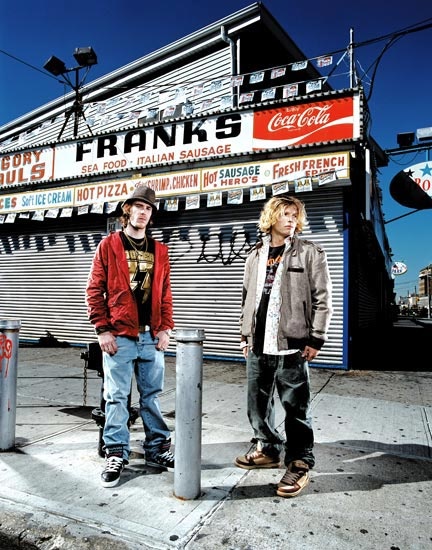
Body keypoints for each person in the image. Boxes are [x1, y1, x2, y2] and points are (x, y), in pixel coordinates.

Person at [235, 195, 332, 498]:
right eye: (285, 214)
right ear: (271, 217)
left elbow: (322, 298)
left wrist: (316, 338)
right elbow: (247, 298)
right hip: (258, 344)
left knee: (296, 409)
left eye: (295, 215)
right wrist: (245, 335)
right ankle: (268, 448)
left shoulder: (310, 253)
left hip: (292, 346)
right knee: (257, 406)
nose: (291, 219)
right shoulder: (255, 255)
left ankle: (299, 462)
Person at [85, 185, 175, 488]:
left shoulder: (160, 250)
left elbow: (165, 293)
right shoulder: (109, 245)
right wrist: (102, 329)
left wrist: (166, 328)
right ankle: (116, 453)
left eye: (148, 208)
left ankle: (157, 449)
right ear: (128, 210)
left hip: (151, 337)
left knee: (152, 397)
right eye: (138, 206)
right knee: (116, 397)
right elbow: (94, 290)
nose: (143, 212)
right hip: (119, 337)